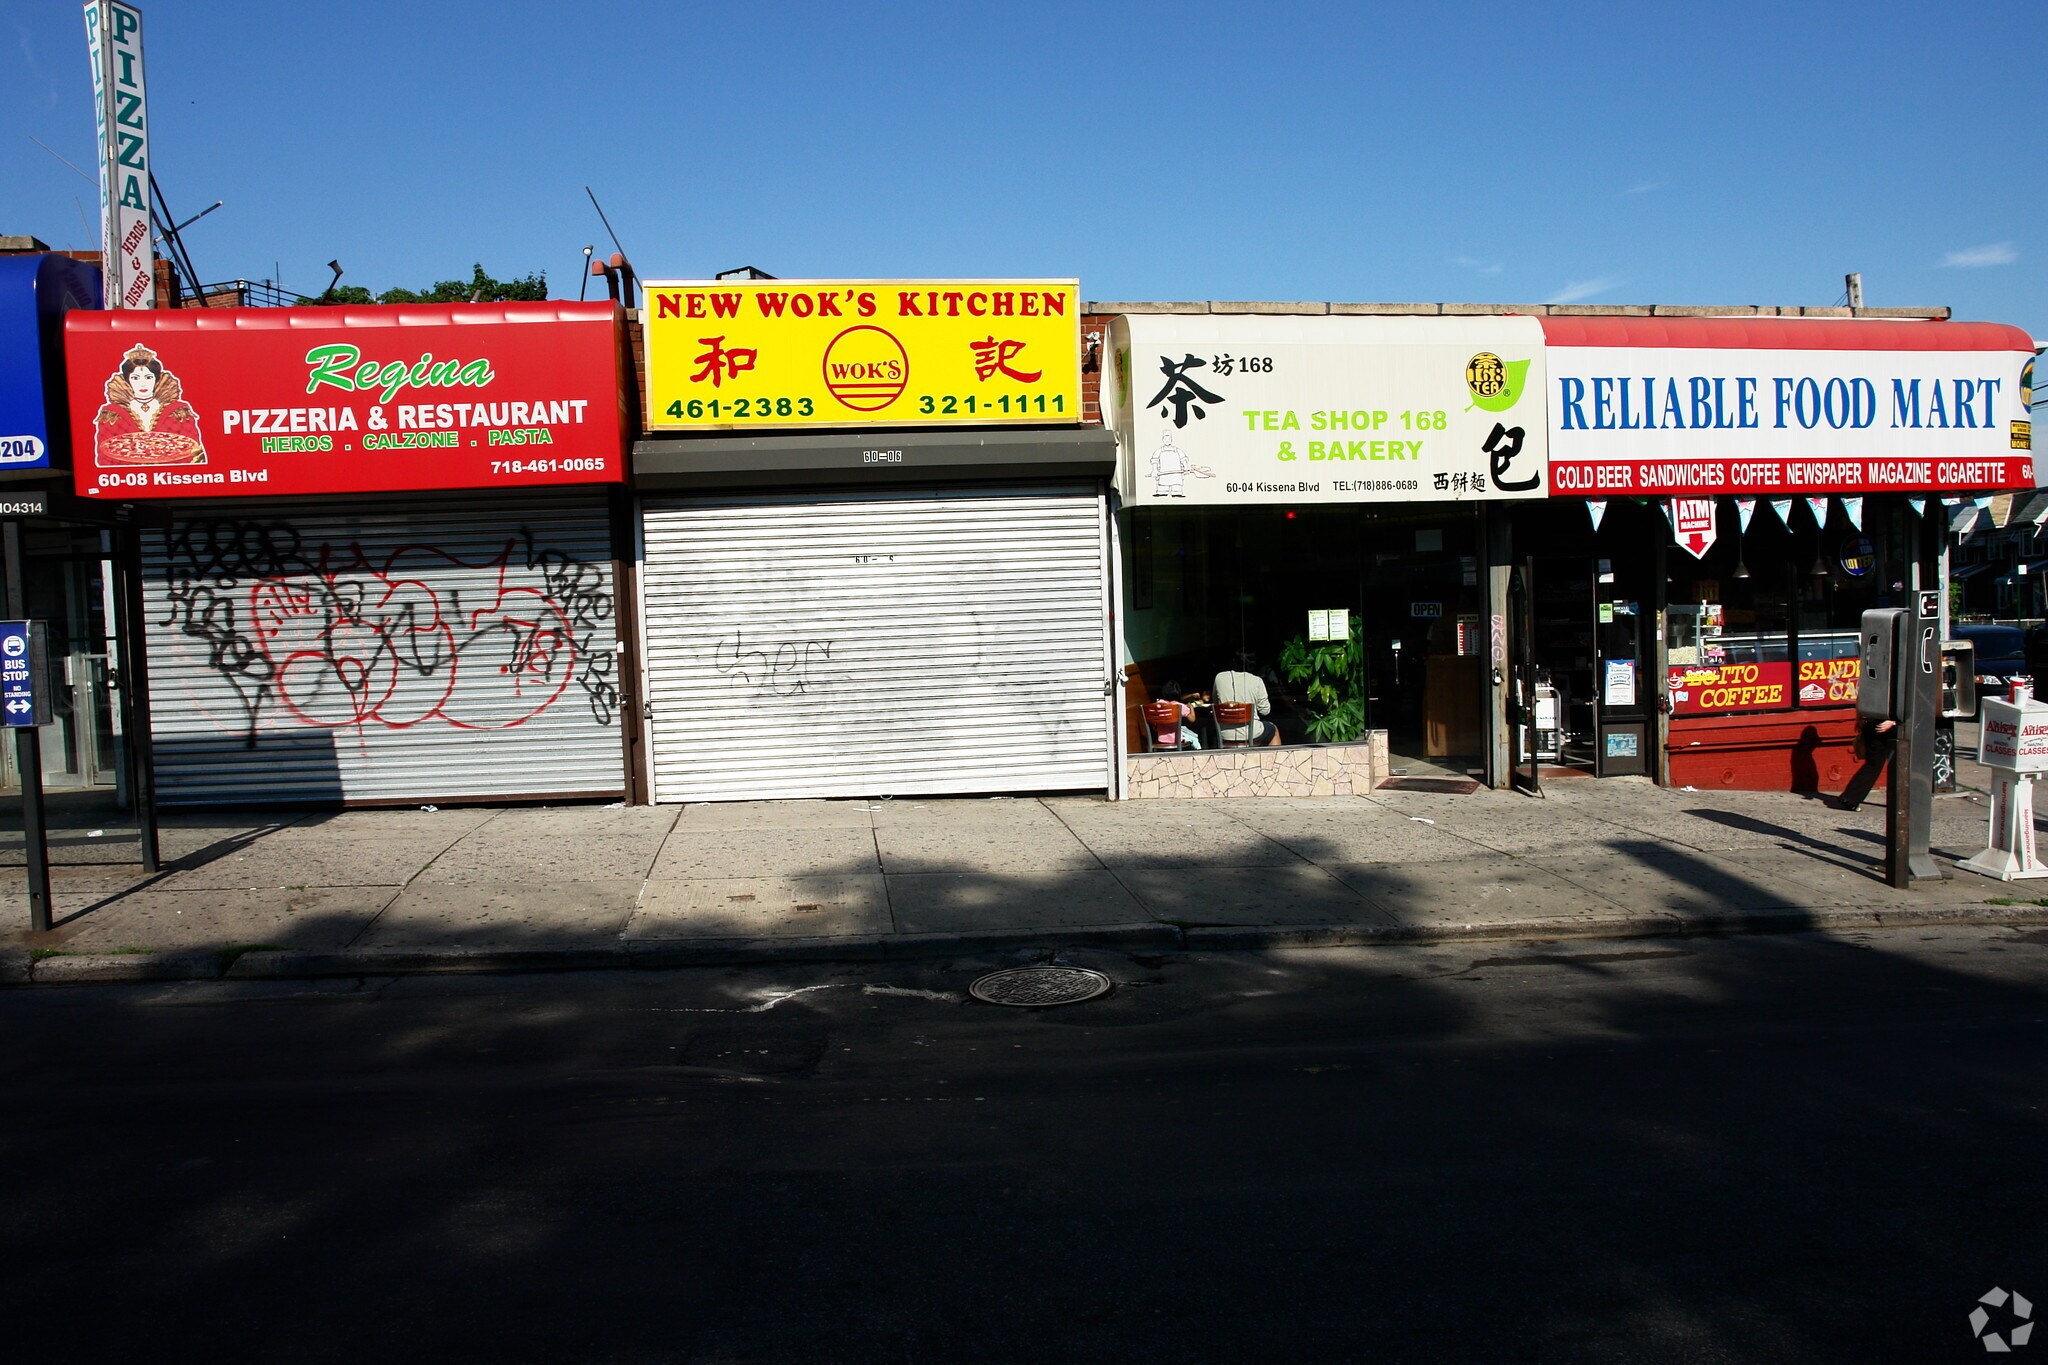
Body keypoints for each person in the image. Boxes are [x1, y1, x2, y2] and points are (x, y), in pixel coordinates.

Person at [94, 345, 206, 467]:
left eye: (148, 377)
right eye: (135, 378)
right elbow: (105, 457)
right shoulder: (112, 415)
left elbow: (193, 453)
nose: (142, 383)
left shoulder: (179, 412)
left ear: (156, 379)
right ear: (127, 381)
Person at [1213, 660, 1281, 746]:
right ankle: (1273, 759)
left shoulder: (1219, 677)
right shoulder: (1257, 681)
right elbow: (1265, 711)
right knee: (1273, 729)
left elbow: (1216, 703)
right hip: (1251, 733)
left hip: (1225, 733)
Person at [1156, 679, 1202, 749]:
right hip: (1177, 739)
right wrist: (1191, 707)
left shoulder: (1158, 704)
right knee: (1194, 738)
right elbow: (1192, 719)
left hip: (1161, 738)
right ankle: (1198, 753)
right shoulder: (1180, 706)